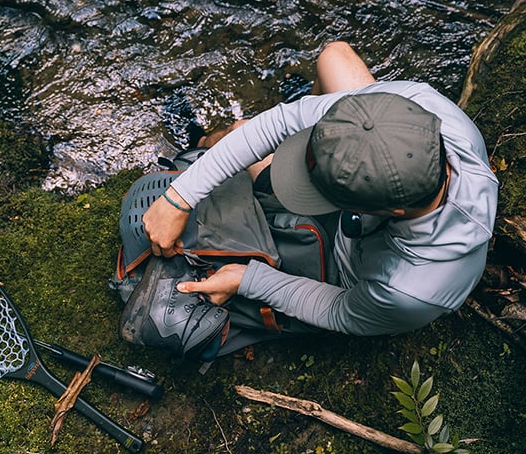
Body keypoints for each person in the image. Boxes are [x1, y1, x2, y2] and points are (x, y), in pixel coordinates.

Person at [140, 41, 498, 339]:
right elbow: (278, 123)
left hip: (344, 264)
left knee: (238, 132)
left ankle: (199, 144)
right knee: (334, 55)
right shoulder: (425, 111)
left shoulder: (409, 290)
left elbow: (339, 310)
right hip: (369, 212)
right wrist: (179, 198)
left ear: (391, 212)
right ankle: (299, 131)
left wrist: (249, 279)